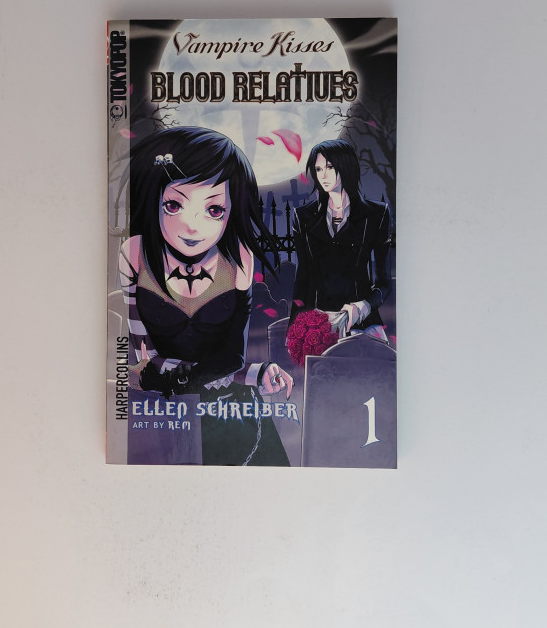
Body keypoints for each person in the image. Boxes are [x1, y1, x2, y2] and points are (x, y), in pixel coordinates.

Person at [118, 127, 292, 466]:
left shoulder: (238, 258)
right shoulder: (135, 254)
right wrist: (247, 373)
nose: (192, 226)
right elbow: (142, 363)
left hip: (230, 410)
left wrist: (253, 373)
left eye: (214, 210)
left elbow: (232, 358)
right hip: (163, 410)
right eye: (174, 205)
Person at [290, 139, 393, 336]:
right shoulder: (303, 217)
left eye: (329, 167)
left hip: (361, 322)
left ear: (346, 166)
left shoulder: (376, 214)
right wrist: (294, 330)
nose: (323, 175)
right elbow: (302, 279)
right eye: (318, 169)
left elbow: (384, 283)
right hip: (318, 325)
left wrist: (362, 307)